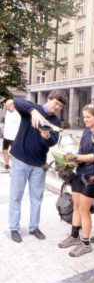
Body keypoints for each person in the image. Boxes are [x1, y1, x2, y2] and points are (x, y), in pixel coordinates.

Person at [8, 90, 68, 243]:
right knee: (16, 196)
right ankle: (14, 228)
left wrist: (47, 137)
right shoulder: (32, 109)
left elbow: (54, 141)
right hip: (20, 159)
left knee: (36, 198)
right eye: (56, 103)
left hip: (39, 164)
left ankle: (34, 227)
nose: (57, 108)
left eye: (60, 106)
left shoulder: (56, 121)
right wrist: (33, 111)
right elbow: (17, 101)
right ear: (49, 99)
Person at [58, 104, 94, 257]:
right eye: (84, 117)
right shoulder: (86, 130)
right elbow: (81, 151)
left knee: (84, 210)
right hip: (80, 173)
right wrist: (71, 161)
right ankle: (74, 236)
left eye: (88, 117)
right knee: (77, 206)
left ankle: (86, 244)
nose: (85, 120)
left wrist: (77, 158)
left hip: (92, 175)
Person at [1, 99, 21, 173]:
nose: (7, 107)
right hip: (6, 136)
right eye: (6, 106)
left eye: (8, 106)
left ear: (13, 105)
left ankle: (14, 169)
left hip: (14, 137)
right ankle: (6, 167)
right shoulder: (8, 112)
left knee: (14, 154)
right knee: (4, 151)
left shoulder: (18, 114)